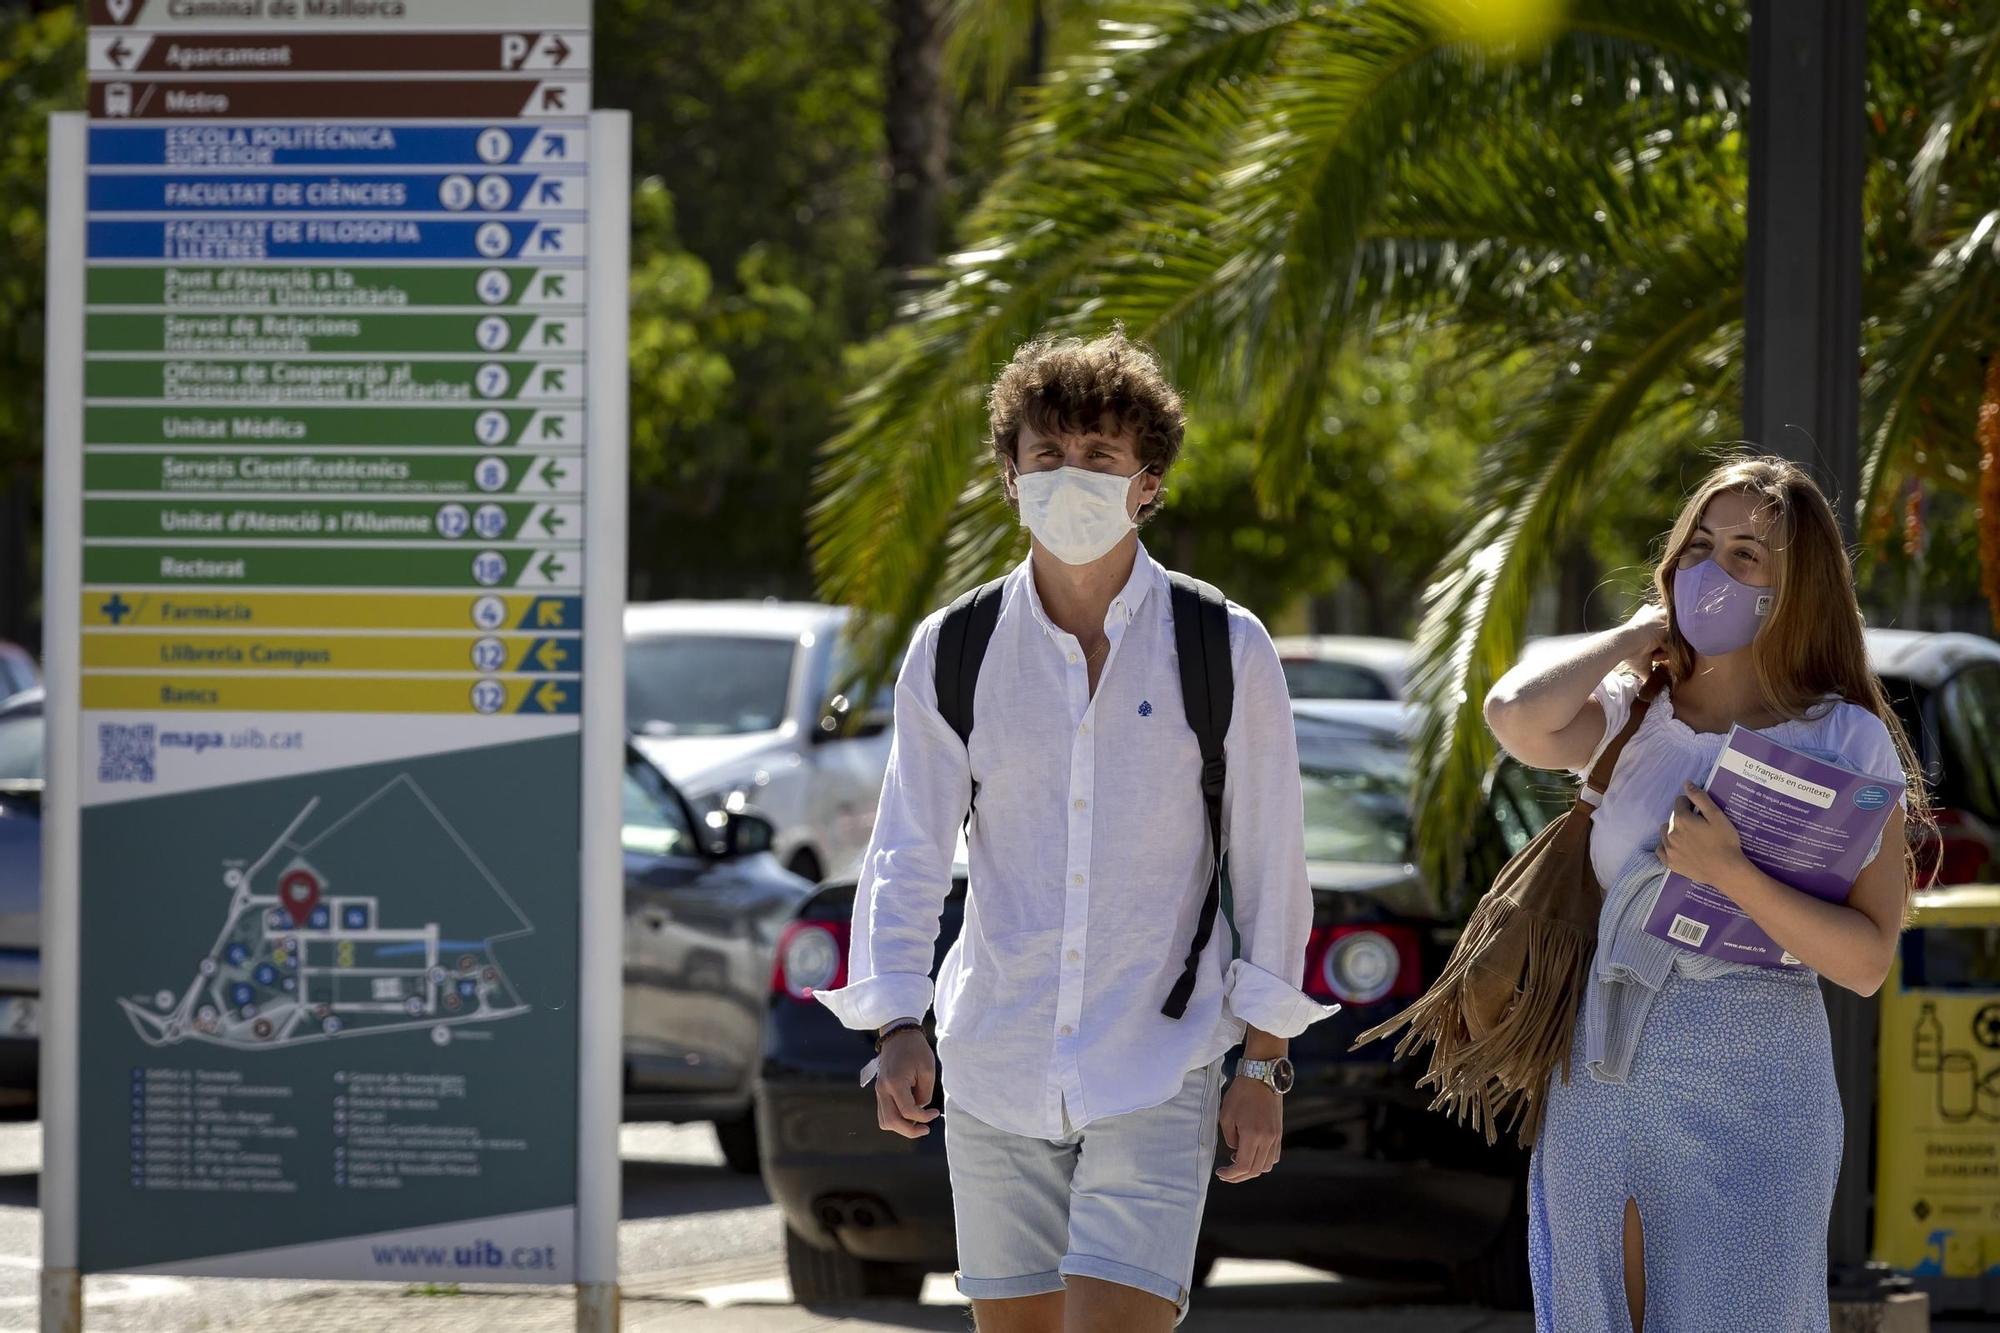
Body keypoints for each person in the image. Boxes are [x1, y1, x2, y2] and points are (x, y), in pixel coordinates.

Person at [812, 328, 1333, 1332]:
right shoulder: (955, 647)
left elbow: (1272, 865)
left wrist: (1262, 1063)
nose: (1070, 477)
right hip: (992, 1058)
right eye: (1045, 455)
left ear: (1148, 484)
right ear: (1007, 478)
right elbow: (907, 849)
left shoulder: (1221, 645)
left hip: (1159, 1056)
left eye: (1100, 456)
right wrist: (895, 1020)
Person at [1483, 456, 1931, 1333]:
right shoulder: (1636, 706)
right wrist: (1634, 636)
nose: (1710, 570)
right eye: (1699, 544)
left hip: (1760, 1083)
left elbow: (1869, 960)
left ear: (1792, 588)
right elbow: (1511, 714)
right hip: (1608, 1067)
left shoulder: (1847, 736)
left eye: (1743, 555)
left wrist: (1731, 873)